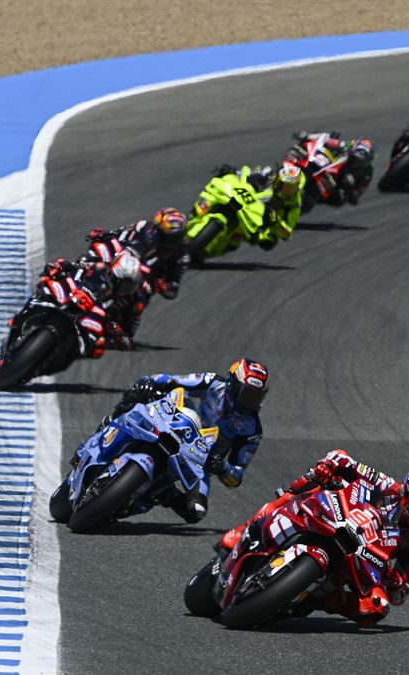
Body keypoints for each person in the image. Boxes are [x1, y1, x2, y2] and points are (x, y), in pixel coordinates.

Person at [216, 448, 409, 626]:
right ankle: (253, 524)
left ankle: (313, 600)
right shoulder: (386, 485)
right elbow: (342, 458)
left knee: (376, 610)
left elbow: (400, 595)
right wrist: (327, 466)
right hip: (333, 518)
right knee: (312, 483)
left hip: (359, 565)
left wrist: (394, 580)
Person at [98, 358, 269, 522]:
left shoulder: (252, 428)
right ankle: (111, 423)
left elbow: (236, 477)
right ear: (232, 384)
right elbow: (173, 380)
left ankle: (164, 492)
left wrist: (222, 468)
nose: (250, 403)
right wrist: (152, 382)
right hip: (180, 426)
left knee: (196, 511)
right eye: (247, 394)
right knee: (142, 388)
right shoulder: (213, 383)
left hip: (199, 459)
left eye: (256, 397)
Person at [80, 208, 190, 350]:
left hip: (145, 280)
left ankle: (124, 332)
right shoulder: (143, 227)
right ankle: (69, 278)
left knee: (142, 295)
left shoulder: (182, 257)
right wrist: (103, 234)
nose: (172, 241)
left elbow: (173, 290)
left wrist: (163, 286)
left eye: (177, 237)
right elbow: (120, 233)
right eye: (167, 235)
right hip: (124, 258)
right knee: (98, 250)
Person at [36, 249, 144, 358]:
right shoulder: (99, 267)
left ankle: (59, 355)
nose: (127, 291)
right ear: (113, 275)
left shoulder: (133, 303)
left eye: (131, 287)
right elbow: (76, 266)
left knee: (97, 348)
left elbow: (127, 343)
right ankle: (34, 307)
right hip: (76, 298)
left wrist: (118, 333)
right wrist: (60, 266)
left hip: (92, 323)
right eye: (125, 285)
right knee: (50, 284)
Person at [284, 131, 376, 206]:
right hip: (326, 168)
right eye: (355, 159)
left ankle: (309, 199)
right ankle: (286, 170)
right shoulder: (345, 146)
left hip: (337, 186)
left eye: (361, 162)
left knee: (340, 199)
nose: (356, 163)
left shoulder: (367, 173)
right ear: (352, 151)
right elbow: (325, 139)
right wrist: (307, 136)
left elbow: (355, 199)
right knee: (302, 152)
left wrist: (350, 188)